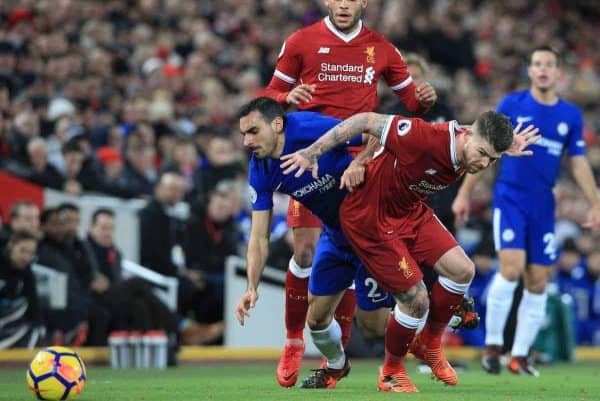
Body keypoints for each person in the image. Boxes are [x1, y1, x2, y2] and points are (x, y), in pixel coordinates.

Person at [280, 110, 538, 392]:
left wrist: (505, 144)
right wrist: (313, 152)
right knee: (416, 299)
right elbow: (366, 120)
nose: (483, 163)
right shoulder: (423, 138)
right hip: (371, 218)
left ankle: (430, 342)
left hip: (409, 210)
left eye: (492, 159)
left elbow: (471, 129)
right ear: (467, 136)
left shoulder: (469, 142)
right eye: (482, 153)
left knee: (463, 271)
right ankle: (391, 372)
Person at [261, 0, 437, 386]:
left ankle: (347, 346)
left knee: (358, 250)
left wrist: (424, 98)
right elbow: (269, 94)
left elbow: (411, 103)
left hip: (361, 164)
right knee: (305, 250)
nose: (343, 3)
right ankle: (292, 342)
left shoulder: (383, 48)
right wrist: (285, 100)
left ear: (364, 3)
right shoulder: (301, 41)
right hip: (312, 158)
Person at [451, 45, 600, 376]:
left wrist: (595, 202)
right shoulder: (512, 105)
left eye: (549, 64)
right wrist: (464, 194)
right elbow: (483, 151)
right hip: (511, 197)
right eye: (537, 64)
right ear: (530, 71)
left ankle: (518, 355)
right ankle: (492, 347)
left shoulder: (570, 116)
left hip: (543, 203)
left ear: (558, 73)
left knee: (538, 281)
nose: (543, 69)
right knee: (512, 268)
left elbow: (577, 163)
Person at [234, 97, 395, 389]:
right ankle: (334, 364)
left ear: (278, 124)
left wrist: (359, 162)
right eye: (243, 134)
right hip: (336, 235)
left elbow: (374, 131)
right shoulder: (260, 169)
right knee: (317, 321)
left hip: (370, 227)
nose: (247, 141)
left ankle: (434, 325)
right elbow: (259, 237)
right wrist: (251, 287)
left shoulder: (308, 126)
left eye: (253, 131)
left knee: (374, 328)